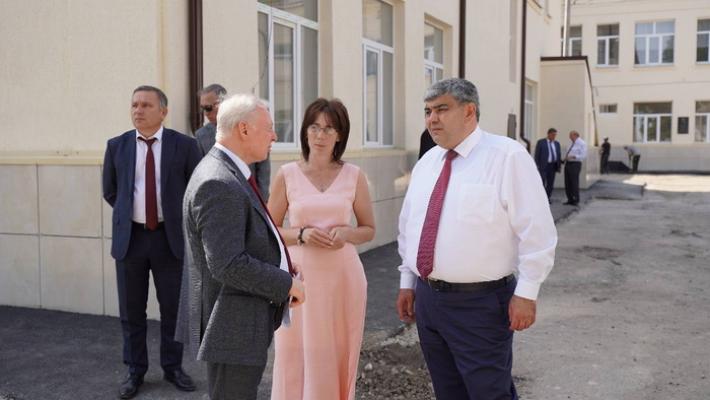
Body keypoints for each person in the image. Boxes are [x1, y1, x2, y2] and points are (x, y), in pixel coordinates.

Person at [395, 78, 557, 399]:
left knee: (489, 392)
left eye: (442, 109)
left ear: (469, 111)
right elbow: (410, 228)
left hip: (480, 304)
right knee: (447, 391)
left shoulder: (507, 156)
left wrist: (527, 293)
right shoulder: (428, 163)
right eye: (428, 111)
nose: (432, 119)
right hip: (428, 300)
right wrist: (407, 282)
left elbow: (537, 231)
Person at [181, 93, 305, 400]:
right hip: (232, 325)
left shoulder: (229, 172)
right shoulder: (219, 182)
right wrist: (286, 283)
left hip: (238, 321)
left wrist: (280, 263)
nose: (275, 136)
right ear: (244, 129)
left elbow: (244, 238)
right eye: (269, 128)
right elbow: (228, 264)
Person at [269, 98, 375, 400]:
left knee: (336, 350)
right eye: (314, 127)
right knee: (294, 353)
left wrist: (347, 234)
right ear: (305, 131)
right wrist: (301, 234)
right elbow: (269, 231)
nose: (320, 135)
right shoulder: (287, 174)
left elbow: (368, 229)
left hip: (343, 278)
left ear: (340, 135)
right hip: (299, 281)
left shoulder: (354, 175)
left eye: (329, 129)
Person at [102, 85, 200, 399]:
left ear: (163, 111)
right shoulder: (116, 146)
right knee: (131, 312)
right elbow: (111, 191)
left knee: (172, 310)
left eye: (146, 105)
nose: (138, 110)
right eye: (134, 104)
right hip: (130, 240)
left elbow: (196, 189)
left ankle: (173, 367)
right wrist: (134, 215)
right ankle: (135, 371)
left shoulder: (185, 146)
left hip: (169, 240)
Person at [195, 84, 271, 198]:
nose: (205, 113)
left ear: (222, 103)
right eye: (202, 108)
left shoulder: (245, 126)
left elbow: (262, 163)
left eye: (208, 108)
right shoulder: (201, 135)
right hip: (218, 198)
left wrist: (262, 197)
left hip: (249, 194)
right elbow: (202, 170)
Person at [534, 127, 562, 201]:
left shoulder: (557, 143)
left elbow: (558, 155)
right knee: (542, 182)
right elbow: (537, 154)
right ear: (548, 134)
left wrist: (559, 165)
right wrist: (537, 165)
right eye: (553, 135)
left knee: (550, 183)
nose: (554, 136)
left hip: (553, 166)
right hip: (544, 166)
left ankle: (547, 198)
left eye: (555, 135)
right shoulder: (541, 142)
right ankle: (541, 199)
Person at [563, 130, 587, 206]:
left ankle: (576, 199)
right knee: (567, 182)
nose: (569, 137)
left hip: (575, 164)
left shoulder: (582, 143)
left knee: (574, 182)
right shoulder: (570, 142)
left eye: (571, 135)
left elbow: (583, 155)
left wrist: (574, 156)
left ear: (576, 135)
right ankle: (570, 199)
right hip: (568, 163)